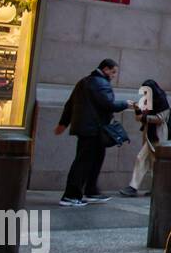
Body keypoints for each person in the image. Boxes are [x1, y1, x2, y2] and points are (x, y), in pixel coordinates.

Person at [56, 59, 134, 206]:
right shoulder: (101, 84)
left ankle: (91, 191)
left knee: (94, 159)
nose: (114, 75)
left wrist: (63, 123)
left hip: (88, 129)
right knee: (84, 162)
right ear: (105, 69)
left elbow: (70, 104)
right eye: (113, 72)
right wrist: (126, 104)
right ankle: (71, 195)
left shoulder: (84, 82)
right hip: (93, 129)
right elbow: (108, 104)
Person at [121, 79, 171, 197]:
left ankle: (134, 187)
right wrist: (138, 109)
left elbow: (160, 118)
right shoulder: (149, 101)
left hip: (158, 135)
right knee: (152, 162)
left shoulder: (162, 101)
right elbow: (141, 117)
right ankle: (153, 187)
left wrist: (145, 118)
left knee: (143, 159)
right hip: (149, 134)